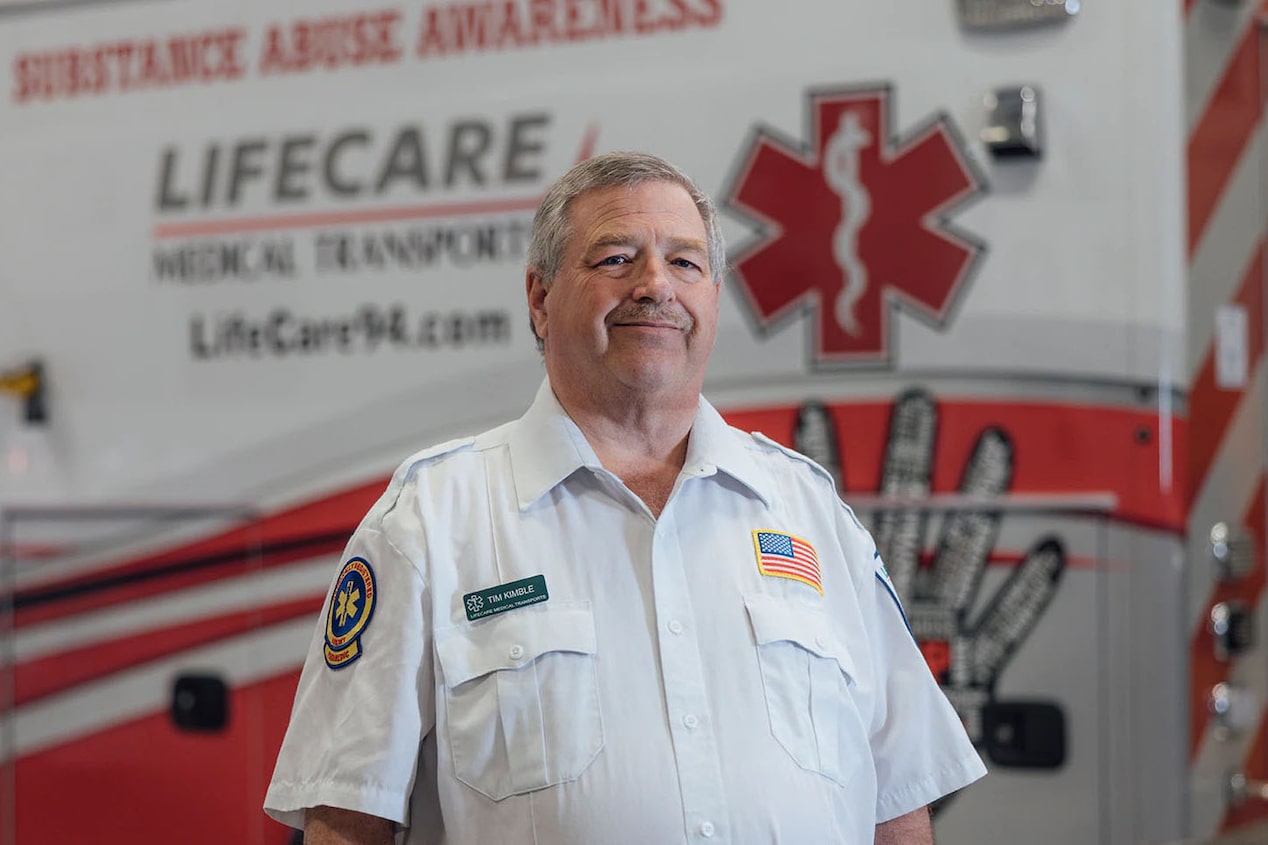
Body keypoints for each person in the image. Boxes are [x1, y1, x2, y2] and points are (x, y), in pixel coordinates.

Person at [264, 151, 986, 844]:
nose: (655, 285)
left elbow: (898, 807)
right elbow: (348, 820)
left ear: (711, 297)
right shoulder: (430, 520)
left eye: (685, 262)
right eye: (616, 258)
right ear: (540, 298)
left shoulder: (810, 511)